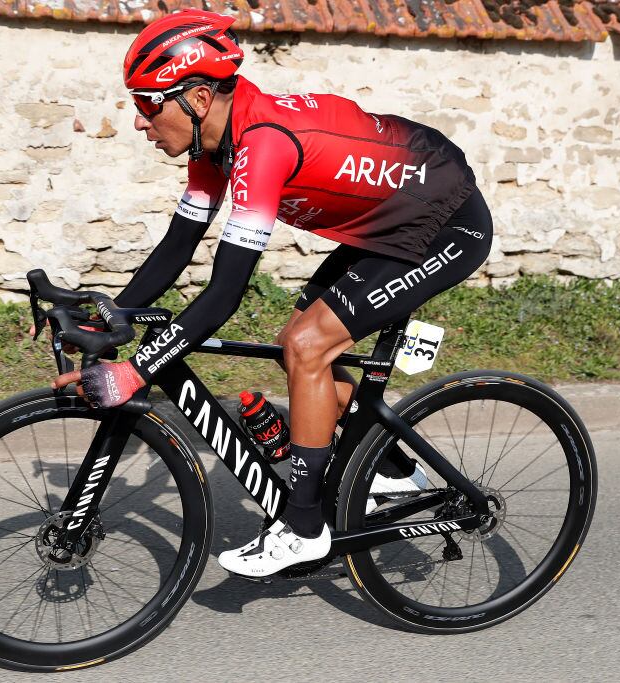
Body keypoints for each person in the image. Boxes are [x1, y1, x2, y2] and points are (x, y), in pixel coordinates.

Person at [52, 9, 493, 577]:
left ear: (199, 98)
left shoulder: (262, 146)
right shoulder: (215, 149)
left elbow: (225, 293)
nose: (140, 122)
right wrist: (109, 314)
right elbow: (179, 245)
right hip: (388, 223)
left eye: (146, 104)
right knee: (296, 342)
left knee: (310, 344)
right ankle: (389, 465)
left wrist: (136, 371)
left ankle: (304, 528)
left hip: (447, 222)